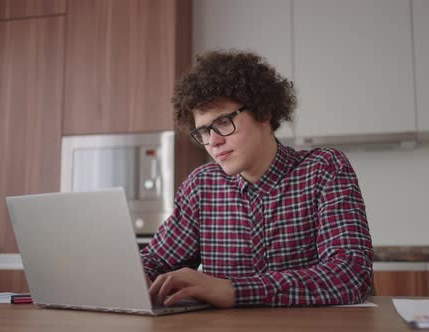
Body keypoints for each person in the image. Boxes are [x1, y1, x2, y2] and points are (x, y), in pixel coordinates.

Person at [142, 50, 373, 308]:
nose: (214, 141)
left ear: (264, 113)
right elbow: (156, 262)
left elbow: (351, 274)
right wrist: (130, 276)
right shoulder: (202, 186)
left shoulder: (323, 170)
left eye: (223, 122)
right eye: (204, 131)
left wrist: (234, 290)